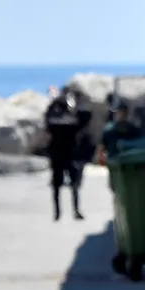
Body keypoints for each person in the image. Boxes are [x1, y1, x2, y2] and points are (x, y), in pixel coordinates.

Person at [44, 86, 92, 220]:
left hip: (63, 154)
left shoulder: (57, 114)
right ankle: (68, 211)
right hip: (66, 154)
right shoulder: (67, 115)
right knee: (69, 185)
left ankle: (60, 212)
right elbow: (84, 121)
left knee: (63, 185)